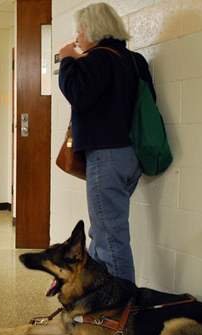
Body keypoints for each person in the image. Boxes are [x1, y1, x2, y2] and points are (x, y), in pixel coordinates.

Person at [58, 3, 156, 283]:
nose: (76, 36)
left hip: (106, 156)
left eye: (79, 29)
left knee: (110, 236)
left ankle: (122, 307)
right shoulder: (135, 60)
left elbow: (77, 93)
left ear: (92, 29)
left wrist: (67, 60)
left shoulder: (97, 59)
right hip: (131, 156)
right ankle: (96, 295)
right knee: (102, 231)